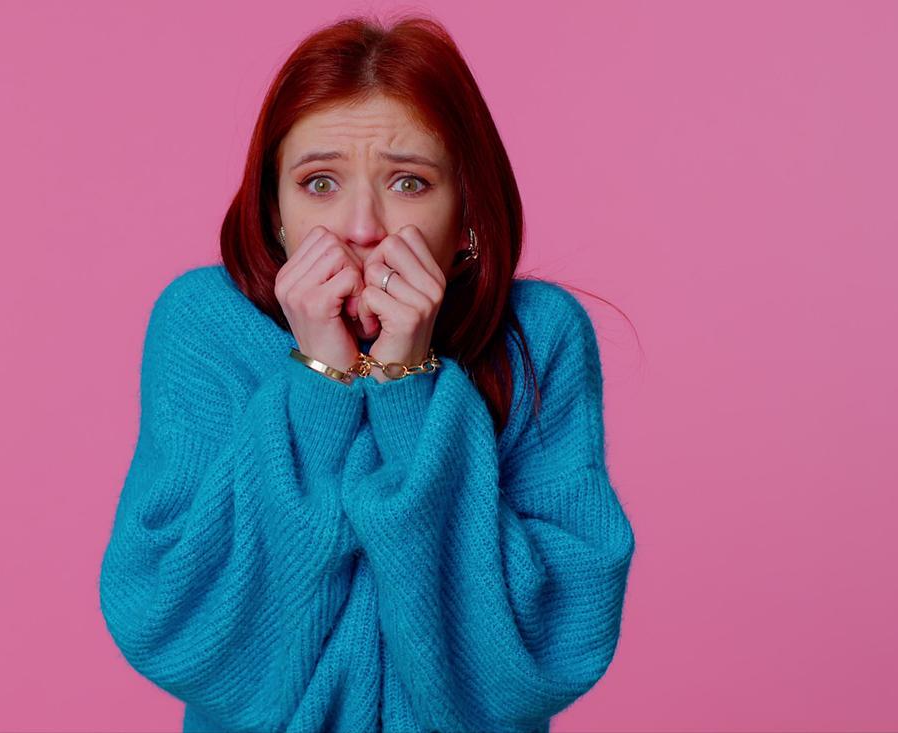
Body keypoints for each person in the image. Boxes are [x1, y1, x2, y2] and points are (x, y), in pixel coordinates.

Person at [99, 13, 636, 733]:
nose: (361, 225)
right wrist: (319, 377)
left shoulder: (539, 335)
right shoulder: (203, 325)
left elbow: (557, 640)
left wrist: (407, 381)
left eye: (409, 183)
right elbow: (172, 624)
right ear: (275, 212)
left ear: (466, 213)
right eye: (319, 182)